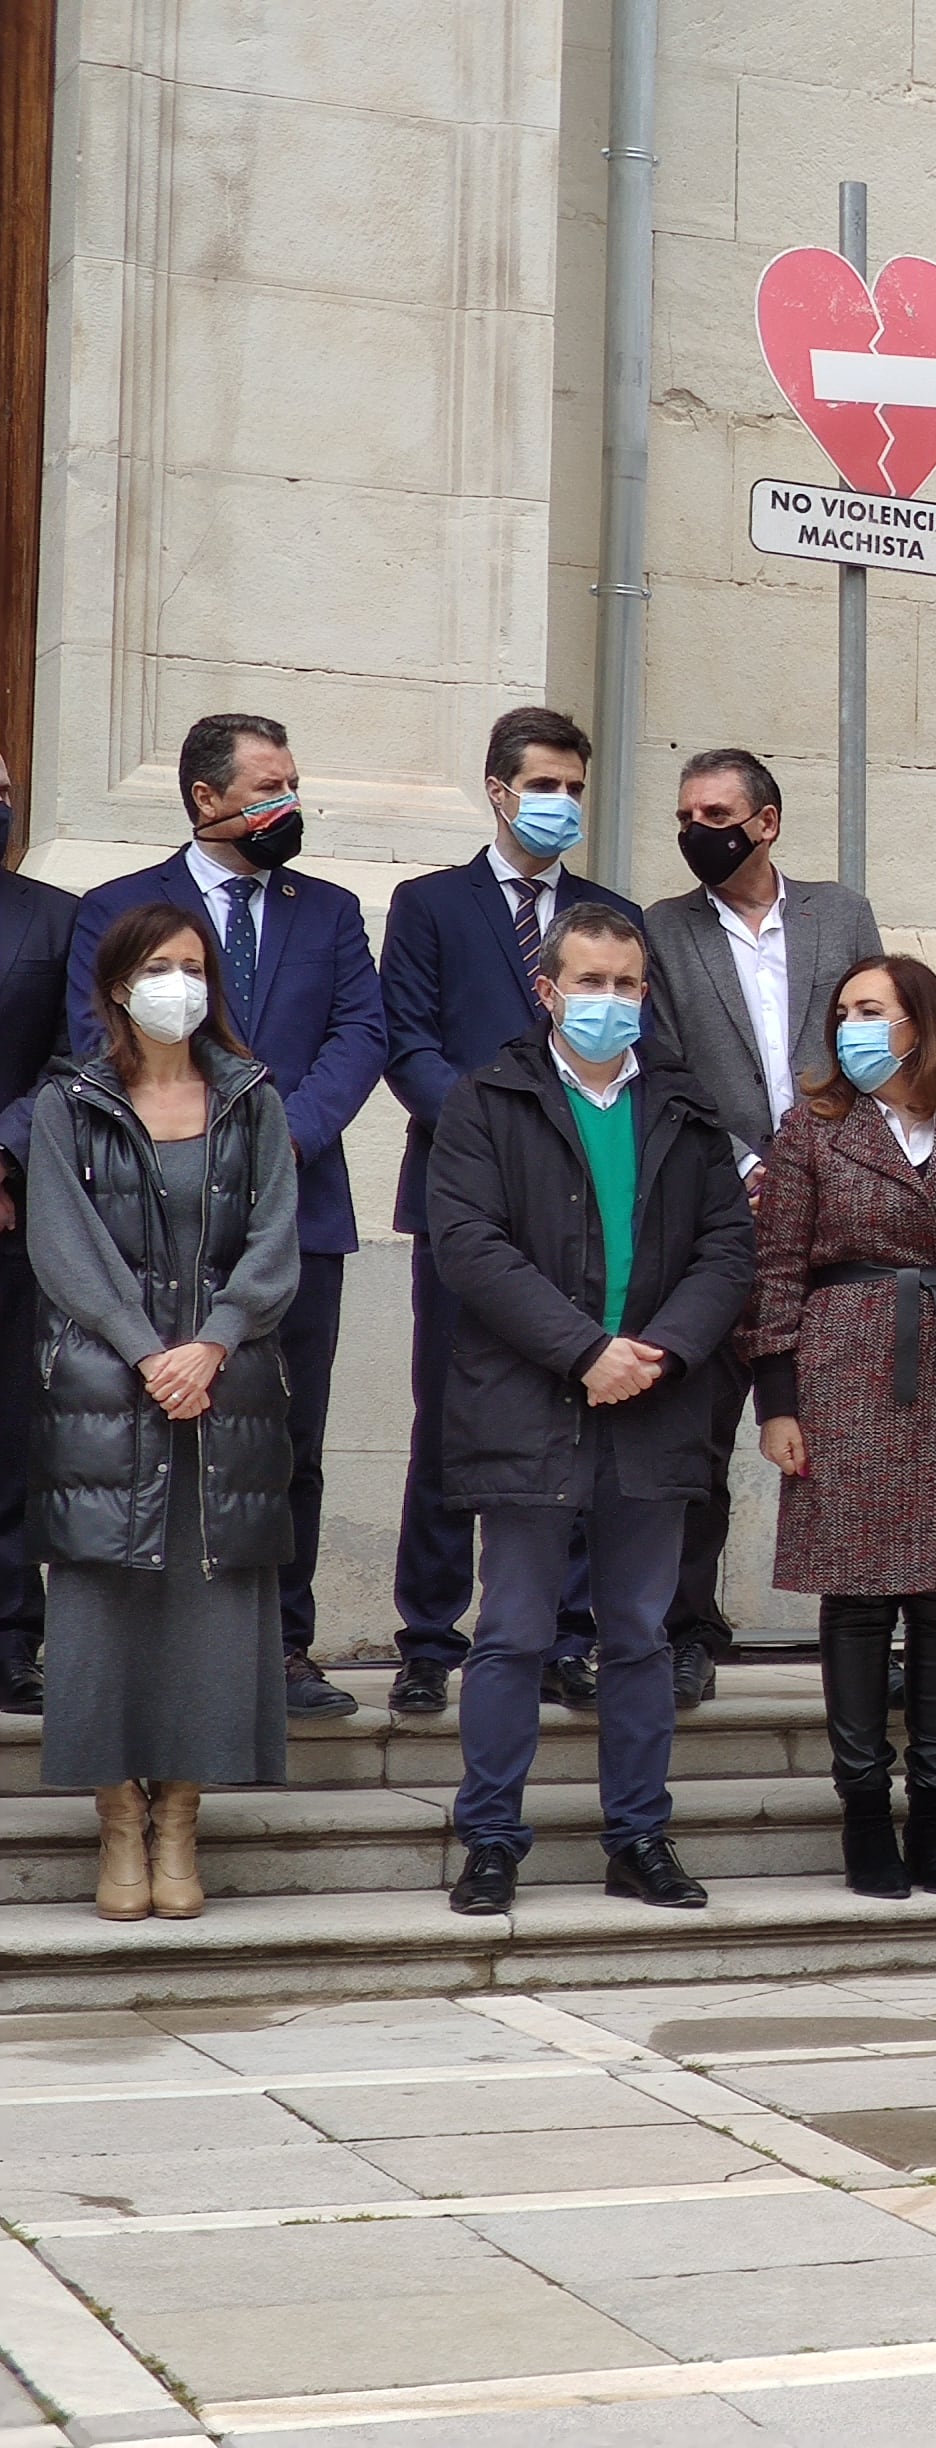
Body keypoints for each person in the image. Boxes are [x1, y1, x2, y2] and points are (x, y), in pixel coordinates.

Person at [426, 905, 752, 1916]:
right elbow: (470, 1247)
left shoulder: (688, 1113)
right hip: (529, 1405)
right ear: (548, 991)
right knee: (515, 1634)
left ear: (646, 995)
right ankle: (488, 1839)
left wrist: (661, 1353)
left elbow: (728, 1250)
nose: (609, 1002)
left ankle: (640, 1838)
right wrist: (584, 1353)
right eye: (590, 983)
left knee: (642, 1636)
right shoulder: (488, 1101)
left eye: (627, 985)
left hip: (652, 1403)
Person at [68, 715, 386, 1722]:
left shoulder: (328, 911)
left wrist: (281, 1138)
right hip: (158, 1226)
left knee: (287, 1442)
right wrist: (216, 1137)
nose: (287, 802)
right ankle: (152, 1654)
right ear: (207, 799)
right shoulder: (118, 908)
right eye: (268, 785)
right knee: (147, 1438)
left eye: (292, 782)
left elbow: (359, 1033)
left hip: (300, 1220)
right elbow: (98, 1037)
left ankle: (283, 1651)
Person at [743, 956, 936, 1899]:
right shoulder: (814, 1128)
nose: (850, 1025)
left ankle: (934, 1812)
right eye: (842, 1011)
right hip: (846, 1368)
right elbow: (776, 1269)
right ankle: (861, 1813)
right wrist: (778, 1398)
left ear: (919, 1022)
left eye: (869, 1009)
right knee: (856, 1595)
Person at [29, 906, 298, 1918]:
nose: (176, 984)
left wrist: (214, 1342)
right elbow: (64, 1247)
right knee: (104, 1607)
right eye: (157, 967)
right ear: (116, 986)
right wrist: (150, 1353)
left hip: (225, 1394)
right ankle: (116, 1820)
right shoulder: (70, 1100)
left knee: (210, 1608)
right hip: (108, 1391)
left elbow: (274, 1240)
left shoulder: (252, 1099)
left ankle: (179, 1819)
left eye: (193, 966)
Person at [377, 708, 637, 1718]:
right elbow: (409, 1048)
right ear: (497, 788)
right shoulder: (431, 904)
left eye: (575, 786)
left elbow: (627, 1057)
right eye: (544, 784)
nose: (561, 803)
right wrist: (505, 1145)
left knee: (578, 1421)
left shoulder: (612, 913)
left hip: (586, 1209)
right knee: (449, 1422)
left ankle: (565, 1635)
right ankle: (430, 1639)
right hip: (464, 1205)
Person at [641, 747, 880, 1705]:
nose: (699, 831)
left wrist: (817, 1160)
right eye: (686, 815)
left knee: (857, 1434)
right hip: (722, 1212)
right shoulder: (663, 928)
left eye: (717, 813)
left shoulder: (841, 913)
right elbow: (664, 1060)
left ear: (766, 821)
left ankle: (865, 1632)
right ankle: (688, 1629)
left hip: (833, 1209)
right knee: (696, 1439)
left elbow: (875, 1029)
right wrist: (746, 1163)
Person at [0, 750, 82, 1717]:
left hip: (10, 1212)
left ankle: (14, 1639)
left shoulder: (54, 919)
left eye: (6, 797)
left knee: (14, 1437)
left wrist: (4, 1152)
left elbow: (75, 1055)